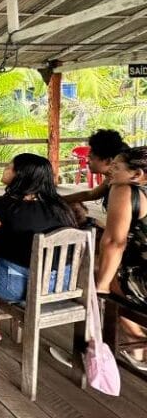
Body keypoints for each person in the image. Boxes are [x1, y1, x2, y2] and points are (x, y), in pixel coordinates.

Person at [0, 153, 77, 341]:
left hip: (16, 287)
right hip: (63, 284)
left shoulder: (3, 206)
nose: (5, 169)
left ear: (20, 175)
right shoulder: (61, 207)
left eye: (9, 166)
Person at [95, 146, 147, 371]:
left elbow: (114, 243)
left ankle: (92, 352)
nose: (110, 171)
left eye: (116, 167)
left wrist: (103, 285)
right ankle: (138, 347)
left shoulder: (126, 189)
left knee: (89, 276)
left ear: (136, 175)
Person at [64, 129, 129, 210]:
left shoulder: (122, 189)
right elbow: (90, 194)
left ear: (108, 161)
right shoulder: (112, 178)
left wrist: (90, 221)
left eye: (91, 158)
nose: (87, 162)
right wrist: (56, 200)